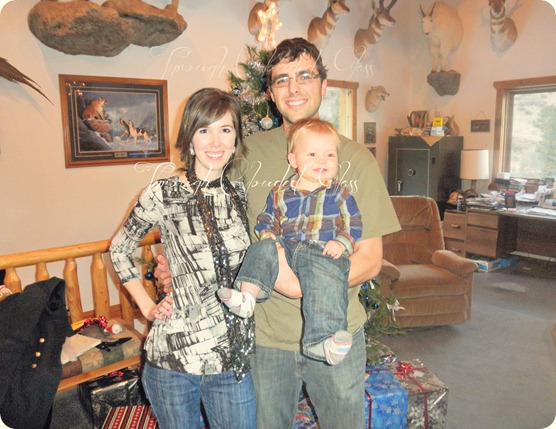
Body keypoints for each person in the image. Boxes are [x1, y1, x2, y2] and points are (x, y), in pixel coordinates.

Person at [156, 37, 401, 429]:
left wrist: (308, 286)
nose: (294, 88)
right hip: (266, 340)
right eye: (282, 79)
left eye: (305, 76)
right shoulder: (245, 153)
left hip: (337, 333)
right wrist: (173, 262)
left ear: (324, 84)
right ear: (270, 92)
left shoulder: (356, 159)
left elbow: (370, 260)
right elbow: (209, 221)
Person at [109, 87, 256, 429]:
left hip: (230, 361)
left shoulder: (240, 195)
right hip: (173, 360)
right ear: (190, 139)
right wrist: (147, 307)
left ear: (236, 139)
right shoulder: (164, 192)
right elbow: (119, 249)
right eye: (204, 130)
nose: (215, 141)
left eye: (225, 129)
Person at [218, 118, 362, 366]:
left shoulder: (340, 193)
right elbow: (267, 219)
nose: (322, 161)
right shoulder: (280, 192)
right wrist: (268, 235)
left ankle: (323, 341)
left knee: (328, 282)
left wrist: (341, 243)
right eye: (312, 154)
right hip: (286, 247)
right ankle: (247, 297)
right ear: (293, 160)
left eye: (330, 155)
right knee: (261, 248)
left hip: (320, 252)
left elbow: (354, 224)